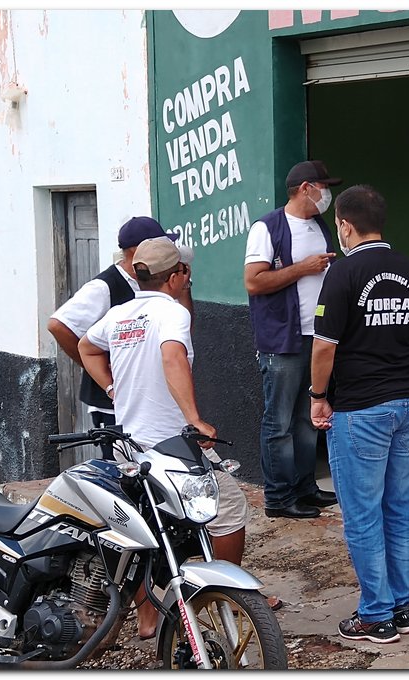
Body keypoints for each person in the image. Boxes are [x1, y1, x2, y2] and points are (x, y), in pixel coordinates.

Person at [78, 237, 251, 638]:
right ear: (178, 275)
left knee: (138, 529)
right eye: (185, 273)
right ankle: (220, 596)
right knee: (228, 510)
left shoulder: (121, 313)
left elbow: (87, 346)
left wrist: (111, 388)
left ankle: (147, 615)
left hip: (130, 446)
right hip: (171, 445)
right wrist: (195, 419)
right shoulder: (170, 313)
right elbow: (173, 356)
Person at [309, 185, 409, 644]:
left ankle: (376, 615)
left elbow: (324, 347)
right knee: (401, 511)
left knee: (363, 514)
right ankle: (403, 608)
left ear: (345, 225)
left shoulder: (342, 274)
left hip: (361, 409)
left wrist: (317, 396)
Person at [244, 160, 341, 519]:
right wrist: (303, 268)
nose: (326, 194)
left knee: (306, 418)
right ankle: (279, 497)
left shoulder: (319, 225)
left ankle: (305, 488)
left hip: (316, 336)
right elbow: (254, 282)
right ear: (305, 188)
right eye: (323, 187)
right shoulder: (267, 228)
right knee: (279, 421)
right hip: (282, 340)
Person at [48, 216, 190, 458]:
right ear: (137, 251)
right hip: (112, 402)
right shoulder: (103, 287)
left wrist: (184, 285)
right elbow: (58, 325)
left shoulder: (155, 282)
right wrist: (105, 374)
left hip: (146, 402)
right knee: (122, 471)